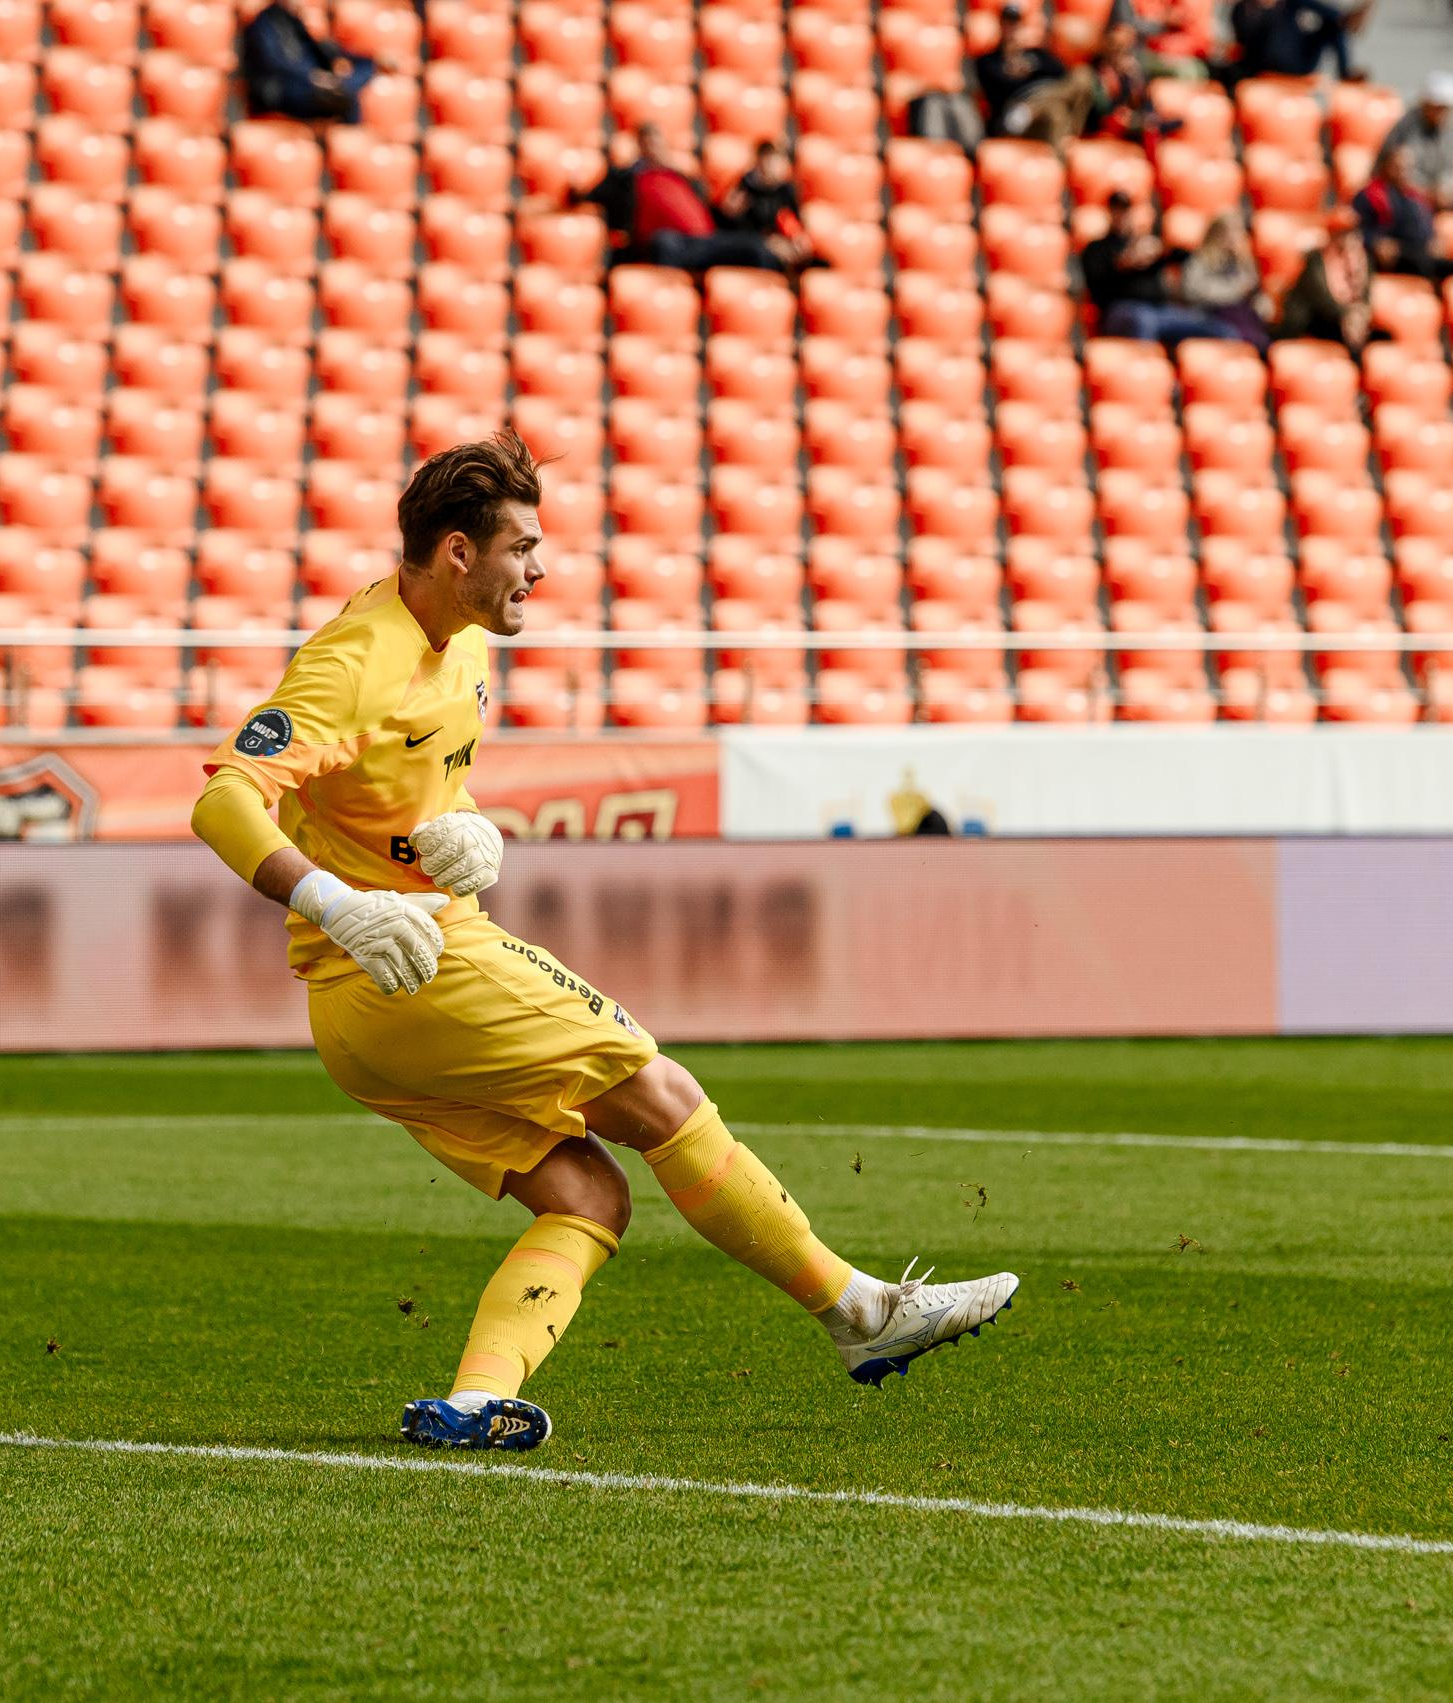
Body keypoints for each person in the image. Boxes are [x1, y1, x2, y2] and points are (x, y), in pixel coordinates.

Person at [189, 433, 1018, 1449]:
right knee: (662, 1094)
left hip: (375, 1003)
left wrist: (467, 830)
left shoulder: (463, 642)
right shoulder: (355, 660)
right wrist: (333, 900)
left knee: (587, 1192)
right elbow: (224, 798)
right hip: (407, 967)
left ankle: (473, 1400)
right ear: (458, 551)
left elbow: (402, 795)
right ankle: (860, 1311)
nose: (539, 569)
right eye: (522, 547)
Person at [583, 125, 785, 275]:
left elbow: (708, 213)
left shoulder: (682, 177)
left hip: (705, 240)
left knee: (757, 247)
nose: (654, 149)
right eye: (649, 143)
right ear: (640, 146)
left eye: (658, 143)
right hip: (670, 242)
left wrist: (726, 213)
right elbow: (596, 195)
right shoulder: (628, 177)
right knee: (664, 244)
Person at [1083, 194, 1217, 344]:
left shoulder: (1147, 243)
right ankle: (1147, 359)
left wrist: (1162, 249)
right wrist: (1123, 264)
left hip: (1160, 310)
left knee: (1216, 329)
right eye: (1117, 210)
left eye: (1125, 211)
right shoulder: (1097, 248)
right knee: (1142, 321)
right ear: (1109, 213)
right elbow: (1095, 288)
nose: (1122, 216)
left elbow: (1185, 257)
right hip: (1120, 310)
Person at [1353, 148, 1453, 282]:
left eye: (1407, 167)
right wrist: (1375, 243)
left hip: (1421, 252)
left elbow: (1425, 225)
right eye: (1397, 167)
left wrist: (1434, 240)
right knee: (1424, 265)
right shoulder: (1369, 195)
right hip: (1397, 255)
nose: (1403, 171)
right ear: (1384, 166)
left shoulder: (1413, 196)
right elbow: (1355, 230)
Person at [236, 0, 377, 124]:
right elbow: (277, 63)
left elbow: (328, 56)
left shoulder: (299, 20)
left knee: (365, 69)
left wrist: (322, 40)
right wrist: (314, 77)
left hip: (316, 83)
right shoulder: (264, 21)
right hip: (284, 87)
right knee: (343, 97)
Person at [974, 7, 1092, 144]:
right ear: (1000, 26)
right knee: (1055, 112)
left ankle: (1031, 110)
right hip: (1017, 108)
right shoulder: (989, 60)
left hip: (1038, 103)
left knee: (1083, 74)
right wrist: (1013, 67)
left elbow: (1060, 74)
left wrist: (1032, 66)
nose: (1012, 30)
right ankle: (1064, 141)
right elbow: (996, 91)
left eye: (1016, 25)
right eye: (1008, 24)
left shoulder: (1037, 53)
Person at [715, 139, 818, 270]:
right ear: (759, 162)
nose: (774, 169)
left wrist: (797, 239)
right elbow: (735, 229)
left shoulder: (786, 190)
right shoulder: (743, 188)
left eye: (778, 162)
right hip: (753, 246)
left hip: (781, 243)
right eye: (770, 162)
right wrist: (769, 242)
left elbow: (793, 221)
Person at [1275, 223, 1376, 350]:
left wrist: (1360, 314)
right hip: (1311, 321)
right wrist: (1348, 315)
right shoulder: (1316, 261)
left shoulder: (1363, 260)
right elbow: (1322, 298)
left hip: (1346, 320)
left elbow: (1365, 295)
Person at [1376, 73, 1453, 210]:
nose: (1442, 113)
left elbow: (1449, 168)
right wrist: (1428, 194)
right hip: (1403, 192)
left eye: (1446, 108)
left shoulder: (1450, 128)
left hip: (1435, 191)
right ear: (1425, 104)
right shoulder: (1407, 128)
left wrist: (1446, 189)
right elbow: (1400, 175)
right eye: (1438, 107)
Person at [1220, 0, 1369, 83]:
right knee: (1271, 26)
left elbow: (1318, 8)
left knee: (1333, 25)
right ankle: (1344, 20)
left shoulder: (1289, 4)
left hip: (1300, 61)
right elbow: (1246, 46)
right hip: (1267, 62)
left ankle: (1345, 72)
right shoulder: (1242, 10)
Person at [1177, 214, 1269, 346]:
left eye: (1239, 232)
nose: (1235, 237)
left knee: (1261, 337)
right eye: (1230, 232)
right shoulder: (1201, 259)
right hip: (1210, 315)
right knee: (1234, 334)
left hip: (1241, 315)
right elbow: (1192, 292)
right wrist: (1234, 291)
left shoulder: (1243, 260)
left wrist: (1243, 261)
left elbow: (1253, 288)